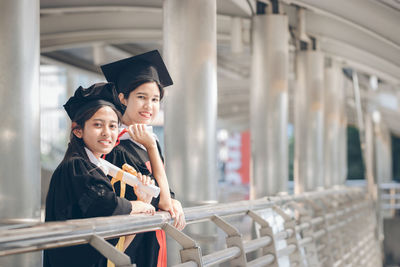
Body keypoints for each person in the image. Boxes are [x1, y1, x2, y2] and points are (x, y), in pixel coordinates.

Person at [44, 83, 155, 267]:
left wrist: (143, 201)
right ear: (77, 130)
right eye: (97, 124)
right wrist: (138, 205)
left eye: (113, 126)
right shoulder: (76, 166)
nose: (107, 133)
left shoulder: (94, 168)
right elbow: (105, 205)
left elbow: (114, 249)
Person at [101, 50, 185, 267]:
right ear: (122, 98)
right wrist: (151, 147)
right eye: (141, 97)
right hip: (129, 245)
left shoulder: (148, 141)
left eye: (155, 99)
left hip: (150, 238)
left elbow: (166, 196)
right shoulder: (115, 147)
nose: (149, 106)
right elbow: (162, 200)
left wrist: (173, 199)